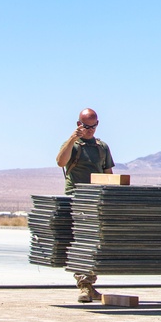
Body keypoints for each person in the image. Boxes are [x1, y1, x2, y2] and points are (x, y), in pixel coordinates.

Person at [56, 107, 114, 303]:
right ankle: (84, 285)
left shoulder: (102, 147)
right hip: (77, 199)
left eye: (93, 126)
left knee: (96, 244)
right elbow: (60, 162)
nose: (90, 130)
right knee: (82, 243)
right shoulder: (73, 146)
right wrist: (72, 139)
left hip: (96, 200)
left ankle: (89, 284)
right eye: (86, 126)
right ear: (78, 124)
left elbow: (108, 175)